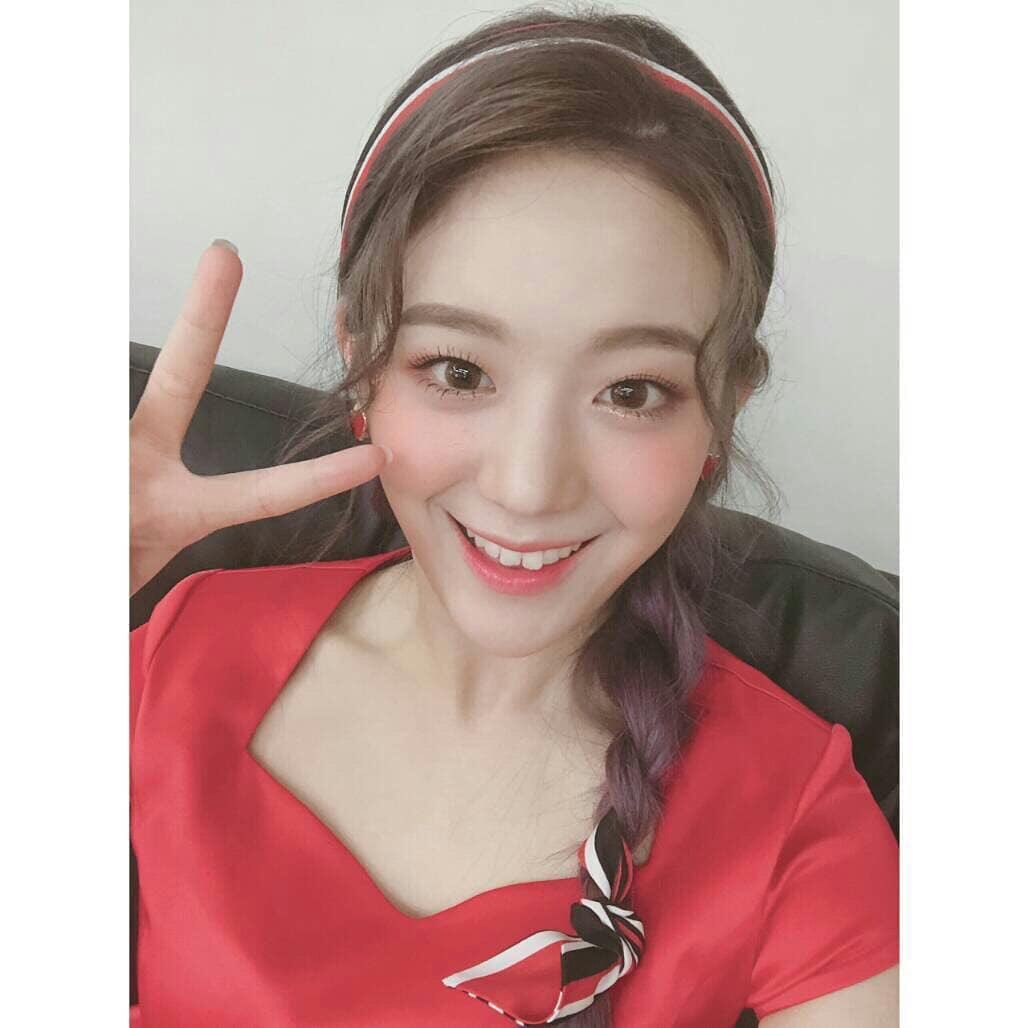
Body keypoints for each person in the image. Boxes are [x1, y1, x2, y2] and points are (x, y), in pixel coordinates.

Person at [129, 7, 899, 1026]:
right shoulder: (177, 653)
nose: (531, 485)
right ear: (362, 362)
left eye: (631, 391)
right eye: (458, 371)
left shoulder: (792, 810)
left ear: (722, 409)